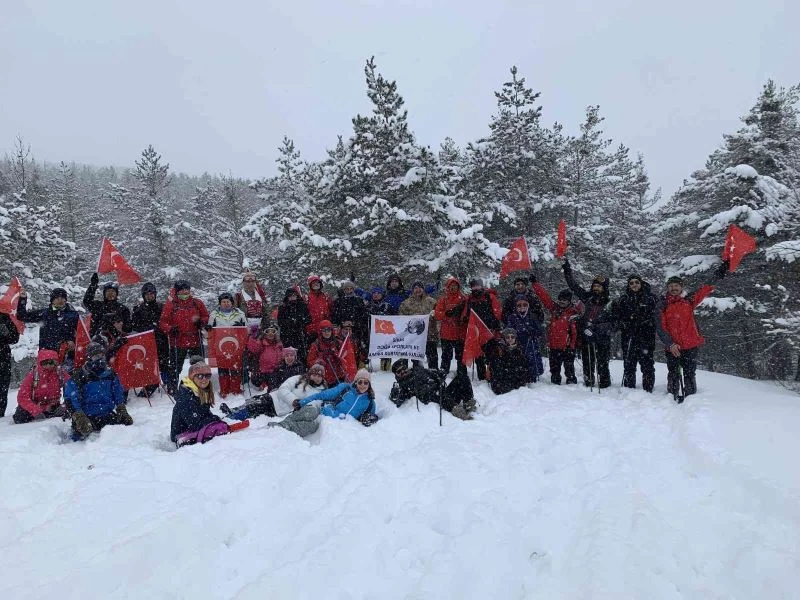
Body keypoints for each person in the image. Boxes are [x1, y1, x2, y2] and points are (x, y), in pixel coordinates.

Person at [657, 262, 727, 399]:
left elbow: (706, 288)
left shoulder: (689, 300)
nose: (673, 288)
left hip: (690, 345)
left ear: (681, 287)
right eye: (671, 286)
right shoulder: (662, 304)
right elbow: (661, 327)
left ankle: (690, 398)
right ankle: (672, 397)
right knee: (673, 373)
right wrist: (670, 344)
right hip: (672, 347)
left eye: (676, 285)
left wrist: (721, 271)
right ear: (667, 288)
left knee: (689, 373)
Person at [562, 258, 613, 388]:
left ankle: (605, 385)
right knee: (587, 361)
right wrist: (567, 271)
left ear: (604, 288)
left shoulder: (609, 303)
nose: (596, 288)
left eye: (599, 286)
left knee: (602, 362)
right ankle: (588, 381)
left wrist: (597, 329)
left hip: (602, 337)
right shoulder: (587, 297)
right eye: (594, 286)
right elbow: (574, 286)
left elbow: (614, 322)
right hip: (586, 335)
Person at [65, 342, 132, 439]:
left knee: (126, 431)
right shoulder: (79, 376)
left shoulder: (110, 374)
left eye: (101, 355)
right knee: (82, 438)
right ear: (89, 358)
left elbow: (117, 392)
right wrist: (79, 416)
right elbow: (70, 398)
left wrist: (121, 408)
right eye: (96, 356)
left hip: (106, 414)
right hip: (87, 417)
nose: (99, 358)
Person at [222, 361, 327, 421]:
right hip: (274, 397)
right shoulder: (299, 378)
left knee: (253, 408)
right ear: (310, 374)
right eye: (314, 375)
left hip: (279, 409)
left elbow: (314, 406)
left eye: (319, 376)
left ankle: (230, 418)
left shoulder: (320, 392)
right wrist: (293, 400)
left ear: (323, 378)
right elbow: (283, 388)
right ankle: (233, 411)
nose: (316, 378)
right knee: (254, 400)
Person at [611, 275, 659, 392]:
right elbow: (617, 317)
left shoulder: (650, 298)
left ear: (641, 283)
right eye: (631, 283)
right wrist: (622, 323)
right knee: (629, 363)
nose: (634, 285)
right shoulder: (624, 299)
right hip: (629, 336)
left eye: (636, 282)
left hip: (646, 335)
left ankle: (648, 389)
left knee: (647, 364)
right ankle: (629, 388)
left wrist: (649, 322)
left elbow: (658, 315)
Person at [159, 280, 209, 391]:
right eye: (182, 290)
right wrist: (170, 329)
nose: (185, 292)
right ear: (177, 292)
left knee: (199, 366)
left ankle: (201, 386)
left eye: (187, 289)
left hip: (195, 339)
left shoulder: (197, 303)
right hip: (178, 341)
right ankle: (172, 389)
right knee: (175, 368)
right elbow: (162, 322)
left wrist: (201, 322)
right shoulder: (171, 305)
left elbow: (206, 316)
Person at [170, 358, 229, 446]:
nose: (204, 379)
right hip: (182, 433)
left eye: (207, 376)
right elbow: (194, 424)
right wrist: (214, 419)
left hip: (195, 428)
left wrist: (213, 419)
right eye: (200, 376)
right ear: (192, 377)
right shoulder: (186, 395)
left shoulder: (202, 390)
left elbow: (205, 414)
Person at [531, 279, 580, 385]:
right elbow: (545, 298)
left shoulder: (573, 313)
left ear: (569, 301)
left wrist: (572, 346)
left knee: (569, 368)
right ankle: (555, 383)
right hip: (554, 346)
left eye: (564, 300)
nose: (561, 301)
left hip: (567, 347)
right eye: (560, 299)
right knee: (554, 369)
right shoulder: (554, 309)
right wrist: (535, 284)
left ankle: (572, 384)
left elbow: (575, 332)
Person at [390, 359, 474, 420]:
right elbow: (396, 399)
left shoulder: (418, 370)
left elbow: (436, 375)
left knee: (462, 377)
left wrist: (439, 375)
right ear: (396, 375)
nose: (403, 372)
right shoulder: (402, 385)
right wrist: (398, 391)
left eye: (404, 368)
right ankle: (455, 409)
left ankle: (468, 402)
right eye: (399, 371)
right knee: (435, 394)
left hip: (443, 391)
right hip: (433, 397)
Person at [130, 282, 170, 397]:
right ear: (143, 295)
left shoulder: (161, 307)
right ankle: (151, 384)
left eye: (152, 294)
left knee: (164, 363)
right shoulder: (139, 309)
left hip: (161, 340)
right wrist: (146, 329)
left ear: (155, 294)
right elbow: (134, 326)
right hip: (146, 341)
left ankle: (168, 384)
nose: (150, 296)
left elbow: (167, 321)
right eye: (147, 294)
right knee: (149, 364)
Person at [296, 368, 376, 421]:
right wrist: (302, 402)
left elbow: (372, 416)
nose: (362, 385)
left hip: (348, 433)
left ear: (369, 385)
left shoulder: (370, 402)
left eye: (366, 383)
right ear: (355, 382)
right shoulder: (345, 388)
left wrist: (371, 419)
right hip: (328, 421)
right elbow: (322, 395)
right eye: (360, 382)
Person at [461, 278, 502, 380]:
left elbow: (497, 312)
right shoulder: (470, 299)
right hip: (477, 332)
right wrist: (465, 318)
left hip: (490, 331)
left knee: (491, 355)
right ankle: (481, 377)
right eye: (473, 286)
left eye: (477, 286)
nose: (476, 288)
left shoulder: (490, 297)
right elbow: (465, 313)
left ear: (481, 286)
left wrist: (493, 323)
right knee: (478, 356)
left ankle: (492, 376)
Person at [206, 292, 247, 397]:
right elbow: (208, 331)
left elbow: (246, 329)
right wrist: (209, 328)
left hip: (235, 345)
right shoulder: (214, 314)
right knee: (223, 368)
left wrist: (241, 326)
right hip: (221, 346)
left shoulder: (240, 313)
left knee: (235, 367)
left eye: (228, 301)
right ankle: (224, 389)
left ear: (232, 303)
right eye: (223, 302)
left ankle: (235, 389)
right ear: (220, 303)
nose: (226, 304)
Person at [16, 287, 79, 352]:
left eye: (62, 298)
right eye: (57, 298)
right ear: (52, 300)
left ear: (65, 300)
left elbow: (81, 333)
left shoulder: (73, 315)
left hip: (67, 353)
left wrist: (71, 340)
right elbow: (22, 316)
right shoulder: (44, 314)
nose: (60, 300)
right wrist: (23, 299)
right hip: (47, 353)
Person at [12, 349, 67, 423]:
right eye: (44, 363)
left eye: (51, 362)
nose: (48, 365)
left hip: (54, 407)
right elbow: (22, 396)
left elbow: (72, 390)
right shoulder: (33, 375)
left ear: (56, 362)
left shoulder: (60, 373)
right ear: (39, 363)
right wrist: (35, 411)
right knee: (20, 417)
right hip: (35, 406)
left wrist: (64, 406)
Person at [503, 294, 545, 384]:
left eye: (524, 305)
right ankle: (520, 377)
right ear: (516, 306)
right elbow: (509, 330)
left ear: (528, 305)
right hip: (518, 343)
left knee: (532, 359)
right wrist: (515, 333)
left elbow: (540, 331)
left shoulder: (532, 316)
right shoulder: (512, 317)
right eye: (519, 305)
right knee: (519, 360)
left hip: (531, 342)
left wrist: (533, 331)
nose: (522, 307)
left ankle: (533, 377)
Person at [399, 281, 439, 370]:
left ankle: (434, 373)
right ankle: (417, 373)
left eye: (420, 287)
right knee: (416, 360)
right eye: (415, 288)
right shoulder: (406, 303)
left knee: (432, 357)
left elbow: (439, 315)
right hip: (414, 337)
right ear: (412, 290)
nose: (418, 290)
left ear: (423, 289)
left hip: (430, 335)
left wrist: (435, 314)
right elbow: (401, 318)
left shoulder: (431, 301)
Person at [434, 277, 468, 377]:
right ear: (448, 287)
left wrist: (465, 317)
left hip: (459, 332)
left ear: (458, 287)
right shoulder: (443, 299)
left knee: (460, 356)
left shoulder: (464, 299)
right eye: (451, 286)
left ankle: (462, 373)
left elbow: (468, 312)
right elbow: (437, 314)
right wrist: (446, 314)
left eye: (455, 286)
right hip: (446, 333)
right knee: (446, 355)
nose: (453, 287)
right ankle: (444, 372)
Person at [485, 328, 530, 395]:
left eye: (512, 337)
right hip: (502, 383)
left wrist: (521, 381)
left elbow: (524, 368)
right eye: (507, 337)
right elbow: (495, 370)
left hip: (517, 383)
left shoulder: (519, 350)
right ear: (504, 338)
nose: (510, 339)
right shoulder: (498, 350)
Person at [276, 287, 311, 365]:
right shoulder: (283, 308)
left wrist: (300, 322)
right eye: (290, 296)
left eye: (294, 295)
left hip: (300, 335)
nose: (292, 297)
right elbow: (280, 322)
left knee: (301, 356)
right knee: (289, 356)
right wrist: (290, 323)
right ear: (287, 297)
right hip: (287, 336)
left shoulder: (302, 305)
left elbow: (308, 319)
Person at [306, 320, 347, 385]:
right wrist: (318, 361)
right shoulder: (316, 345)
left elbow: (346, 358)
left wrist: (337, 356)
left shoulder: (338, 343)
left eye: (328, 330)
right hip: (323, 377)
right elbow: (310, 361)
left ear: (332, 331)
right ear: (320, 332)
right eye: (324, 330)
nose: (326, 332)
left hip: (338, 376)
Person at [331, 280, 369, 347]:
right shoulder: (338, 301)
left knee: (356, 347)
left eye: (351, 289)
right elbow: (335, 315)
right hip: (342, 330)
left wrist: (354, 322)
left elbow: (363, 315)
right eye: (347, 289)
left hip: (356, 330)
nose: (349, 291)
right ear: (344, 290)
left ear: (353, 289)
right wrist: (342, 322)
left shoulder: (359, 300)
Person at [247, 322, 283, 389]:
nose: (270, 334)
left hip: (274, 371)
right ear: (264, 333)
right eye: (268, 331)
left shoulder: (278, 344)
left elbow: (281, 356)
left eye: (273, 331)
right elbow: (253, 349)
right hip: (262, 372)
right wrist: (253, 338)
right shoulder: (261, 343)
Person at [366, 287, 393, 371]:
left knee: (385, 347)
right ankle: (366, 364)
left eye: (378, 293)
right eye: (374, 293)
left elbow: (393, 318)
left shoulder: (387, 305)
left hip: (384, 331)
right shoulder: (368, 305)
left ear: (382, 295)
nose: (376, 295)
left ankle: (385, 364)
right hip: (370, 331)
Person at [0, 310, 20, 417]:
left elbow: (14, 338)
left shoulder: (4, 317)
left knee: (2, 390)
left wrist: (6, 332)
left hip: (3, 358)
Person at [305, 275, 333, 345]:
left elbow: (331, 310)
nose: (316, 284)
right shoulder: (307, 298)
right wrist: (309, 326)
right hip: (312, 329)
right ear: (310, 285)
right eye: (313, 283)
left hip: (325, 328)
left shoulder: (325, 296)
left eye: (317, 283)